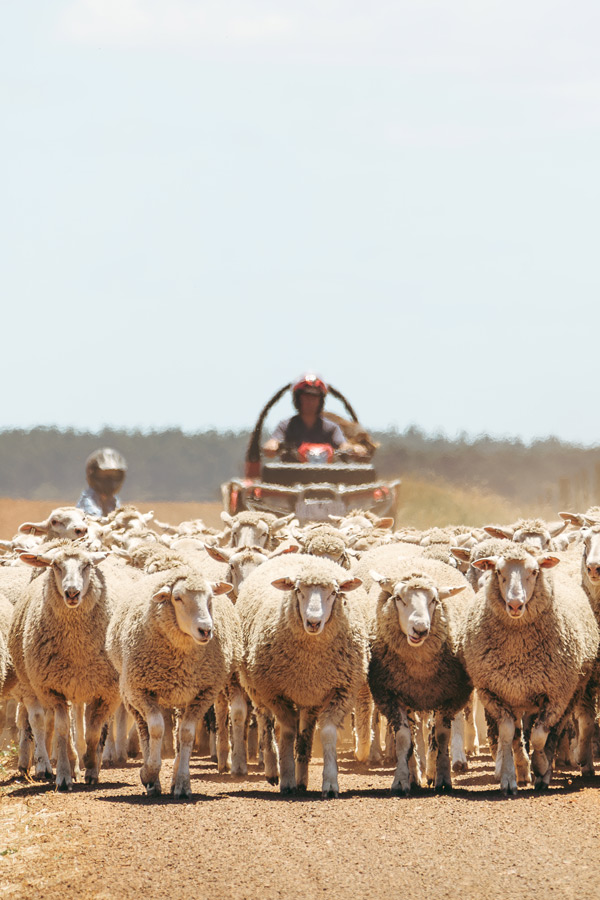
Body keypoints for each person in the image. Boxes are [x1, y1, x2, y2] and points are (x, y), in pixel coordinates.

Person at [262, 374, 367, 459]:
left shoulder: (331, 427)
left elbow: (343, 445)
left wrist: (354, 448)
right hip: (289, 478)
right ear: (298, 399)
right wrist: (271, 446)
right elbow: (273, 441)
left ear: (320, 401)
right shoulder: (286, 425)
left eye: (314, 397)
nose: (310, 401)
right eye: (306, 397)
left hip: (327, 479)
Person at [76, 447, 127, 517]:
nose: (109, 481)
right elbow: (96, 518)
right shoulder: (88, 501)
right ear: (93, 475)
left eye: (114, 476)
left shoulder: (114, 500)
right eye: (104, 475)